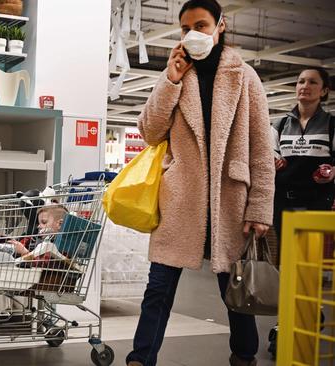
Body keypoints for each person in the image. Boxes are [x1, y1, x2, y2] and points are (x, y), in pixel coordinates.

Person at [125, 1, 275, 365]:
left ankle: (243, 356)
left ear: (220, 26)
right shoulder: (177, 74)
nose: (193, 33)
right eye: (185, 27)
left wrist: (259, 206)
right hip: (181, 199)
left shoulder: (245, 76)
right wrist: (170, 80)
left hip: (230, 200)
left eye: (202, 25)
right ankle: (140, 358)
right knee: (158, 287)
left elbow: (260, 148)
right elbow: (149, 132)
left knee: (236, 287)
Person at [267, 67, 334, 357]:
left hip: (317, 206)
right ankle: (290, 322)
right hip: (283, 205)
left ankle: (307, 314)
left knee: (309, 268)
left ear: (324, 91)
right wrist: (273, 161)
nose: (304, 86)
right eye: (300, 81)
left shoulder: (332, 125)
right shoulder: (280, 124)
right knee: (285, 269)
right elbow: (266, 156)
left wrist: (331, 173)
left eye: (312, 82)